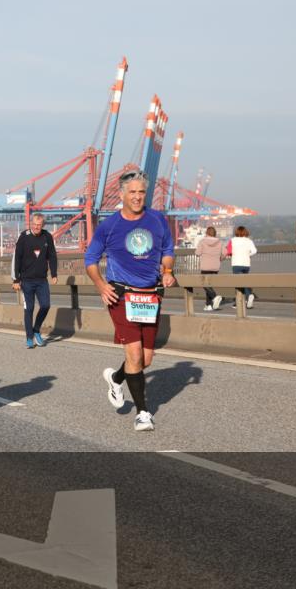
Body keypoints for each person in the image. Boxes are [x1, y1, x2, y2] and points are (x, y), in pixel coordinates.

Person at [85, 171, 175, 432]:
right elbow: (91, 260)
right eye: (132, 192)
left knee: (145, 360)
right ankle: (143, 413)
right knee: (134, 354)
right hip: (122, 294)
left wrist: (167, 271)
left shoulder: (157, 220)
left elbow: (168, 250)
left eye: (141, 192)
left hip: (150, 296)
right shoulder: (109, 226)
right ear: (122, 195)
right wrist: (102, 286)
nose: (137, 197)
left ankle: (116, 378)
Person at [11, 212, 59, 348]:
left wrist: (54, 274)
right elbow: (17, 259)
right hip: (26, 280)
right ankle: (29, 337)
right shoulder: (24, 237)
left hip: (42, 280)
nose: (37, 227)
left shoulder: (47, 236)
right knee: (29, 308)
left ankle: (36, 329)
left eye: (40, 225)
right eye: (35, 225)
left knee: (45, 305)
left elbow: (53, 256)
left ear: (42, 225)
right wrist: (16, 279)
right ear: (31, 224)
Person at [195, 226, 224, 311]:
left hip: (205, 266)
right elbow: (225, 253)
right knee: (209, 285)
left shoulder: (203, 241)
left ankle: (215, 297)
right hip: (215, 267)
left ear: (207, 233)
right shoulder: (220, 242)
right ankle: (208, 305)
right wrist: (220, 259)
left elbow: (197, 253)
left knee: (204, 283)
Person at [229, 225, 257, 309]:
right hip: (246, 264)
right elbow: (254, 251)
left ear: (236, 232)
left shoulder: (232, 240)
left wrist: (232, 254)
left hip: (236, 263)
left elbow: (229, 251)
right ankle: (246, 298)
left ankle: (242, 300)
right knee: (244, 281)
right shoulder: (249, 241)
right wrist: (248, 254)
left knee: (238, 283)